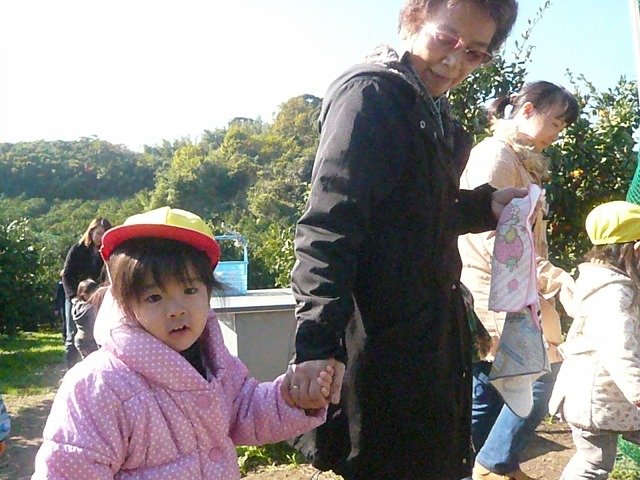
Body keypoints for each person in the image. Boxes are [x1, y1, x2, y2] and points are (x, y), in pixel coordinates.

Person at [283, 1, 522, 478]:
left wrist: (484, 207)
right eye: (446, 39)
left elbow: (414, 212)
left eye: (475, 52)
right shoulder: (371, 96)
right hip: (382, 349)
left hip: (427, 342)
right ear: (412, 22)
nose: (454, 61)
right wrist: (317, 347)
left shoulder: (429, 108)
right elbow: (328, 228)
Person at [32, 206, 332, 479]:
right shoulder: (100, 385)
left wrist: (290, 398)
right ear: (126, 304)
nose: (176, 310)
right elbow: (69, 469)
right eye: (154, 297)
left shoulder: (213, 361)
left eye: (189, 290)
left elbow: (244, 409)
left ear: (208, 292)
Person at [458, 81, 579, 480]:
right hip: (496, 288)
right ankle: (493, 465)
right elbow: (493, 236)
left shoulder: (520, 158)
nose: (558, 132)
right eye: (556, 121)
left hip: (508, 289)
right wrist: (550, 277)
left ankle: (478, 466)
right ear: (527, 110)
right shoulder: (496, 154)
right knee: (540, 375)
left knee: (490, 387)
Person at [549, 201, 640, 480]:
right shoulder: (613, 292)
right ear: (636, 250)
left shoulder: (601, 280)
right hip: (596, 398)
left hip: (607, 398)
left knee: (591, 462)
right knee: (593, 464)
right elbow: (618, 349)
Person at [61, 217, 111, 369]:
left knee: (100, 334)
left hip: (99, 297)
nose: (101, 237)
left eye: (105, 234)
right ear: (91, 232)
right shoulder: (78, 249)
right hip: (76, 297)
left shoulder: (107, 252)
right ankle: (70, 371)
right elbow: (66, 274)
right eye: (99, 233)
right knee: (72, 336)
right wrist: (73, 297)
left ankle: (97, 371)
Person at [71, 278, 99, 359]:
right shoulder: (90, 308)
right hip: (90, 341)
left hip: (79, 338)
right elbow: (94, 325)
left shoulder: (76, 305)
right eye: (93, 293)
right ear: (84, 294)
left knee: (86, 360)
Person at [54, 270, 66, 338]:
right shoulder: (60, 285)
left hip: (67, 303)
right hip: (63, 305)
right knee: (64, 320)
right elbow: (57, 297)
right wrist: (56, 308)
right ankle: (64, 335)